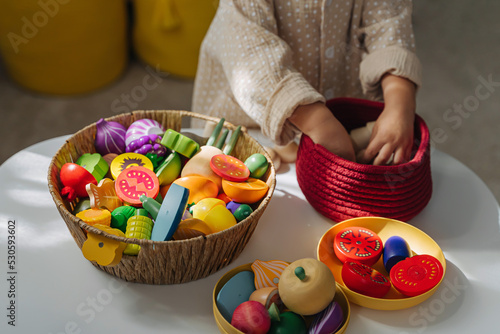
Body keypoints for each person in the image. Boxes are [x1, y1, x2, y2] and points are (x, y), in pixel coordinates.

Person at [192, 0, 421, 165]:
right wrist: (315, 120)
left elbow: (390, 28)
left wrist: (399, 106)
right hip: (247, 121)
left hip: (338, 122)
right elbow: (251, 54)